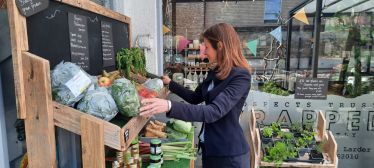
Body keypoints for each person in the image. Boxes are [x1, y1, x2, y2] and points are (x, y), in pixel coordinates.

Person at [139, 23, 252, 168]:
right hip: (209, 150)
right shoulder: (216, 71)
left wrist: (169, 105)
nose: (203, 54)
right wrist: (171, 84)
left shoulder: (240, 76)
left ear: (220, 46)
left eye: (207, 47)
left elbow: (214, 111)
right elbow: (195, 98)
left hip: (228, 156)